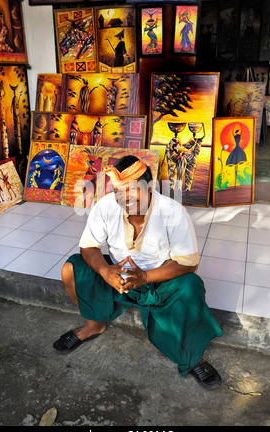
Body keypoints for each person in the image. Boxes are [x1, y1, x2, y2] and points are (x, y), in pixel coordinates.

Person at [53, 155, 223, 389]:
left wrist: (145, 277)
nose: (124, 198)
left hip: (158, 279)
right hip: (116, 276)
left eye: (132, 189)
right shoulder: (105, 206)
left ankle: (193, 356)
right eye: (118, 190)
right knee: (71, 268)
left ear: (151, 188)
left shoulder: (173, 212)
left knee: (190, 286)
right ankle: (94, 324)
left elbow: (188, 263)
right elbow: (88, 246)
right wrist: (104, 271)